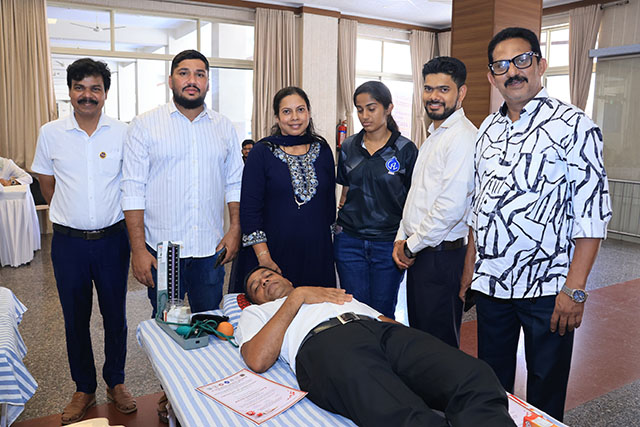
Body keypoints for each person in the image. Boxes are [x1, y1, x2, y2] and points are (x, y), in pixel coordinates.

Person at [459, 27, 612, 421]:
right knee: (491, 384)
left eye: (522, 60)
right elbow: (480, 207)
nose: (513, 71)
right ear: (491, 77)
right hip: (492, 286)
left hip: (549, 289)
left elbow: (592, 213)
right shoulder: (487, 130)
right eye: (501, 65)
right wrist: (469, 272)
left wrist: (575, 289)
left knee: (546, 387)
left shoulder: (574, 125)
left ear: (540, 65)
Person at [237, 266, 516, 427]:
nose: (265, 281)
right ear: (253, 300)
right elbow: (258, 359)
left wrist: (419, 352)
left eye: (267, 275)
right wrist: (296, 298)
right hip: (325, 343)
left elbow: (383, 319)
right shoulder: (258, 313)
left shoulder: (327, 292)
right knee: (397, 410)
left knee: (472, 375)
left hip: (381, 332)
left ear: (286, 277)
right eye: (256, 286)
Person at [31, 58, 136, 425]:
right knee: (75, 318)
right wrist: (72, 212)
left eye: (95, 88)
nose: (87, 95)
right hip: (69, 244)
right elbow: (47, 183)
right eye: (80, 88)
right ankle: (83, 387)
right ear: (70, 91)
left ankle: (116, 381)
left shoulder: (123, 132)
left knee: (115, 315)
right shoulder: (51, 133)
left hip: (112, 241)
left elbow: (131, 184)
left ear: (105, 93)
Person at [121, 49, 243, 318]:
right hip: (163, 251)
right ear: (170, 80)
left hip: (209, 248)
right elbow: (132, 190)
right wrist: (138, 249)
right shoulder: (144, 125)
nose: (192, 80)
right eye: (183, 73)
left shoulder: (223, 126)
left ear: (207, 83)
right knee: (166, 323)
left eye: (200, 75)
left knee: (210, 320)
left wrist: (235, 228)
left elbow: (235, 182)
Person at [392, 57, 477, 348]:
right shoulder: (434, 136)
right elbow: (417, 196)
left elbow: (450, 208)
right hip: (423, 252)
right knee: (422, 338)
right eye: (428, 89)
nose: (434, 96)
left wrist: (409, 246)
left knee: (438, 346)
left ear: (461, 93)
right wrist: (401, 238)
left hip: (441, 258)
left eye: (443, 89)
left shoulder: (463, 138)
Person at [229, 86, 336, 292]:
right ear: (277, 118)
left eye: (300, 110)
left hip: (317, 253)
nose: (295, 117)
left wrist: (328, 249)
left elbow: (328, 204)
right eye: (287, 111)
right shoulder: (262, 152)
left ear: (309, 113)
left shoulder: (322, 149)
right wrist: (264, 258)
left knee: (317, 308)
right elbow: (250, 210)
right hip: (273, 255)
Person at [334, 81, 417, 318]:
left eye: (371, 108)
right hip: (349, 241)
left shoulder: (405, 150)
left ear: (388, 108)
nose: (364, 116)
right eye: (359, 110)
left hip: (388, 243)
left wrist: (408, 241)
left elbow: (413, 199)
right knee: (355, 310)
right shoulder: (349, 146)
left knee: (383, 312)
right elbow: (346, 190)